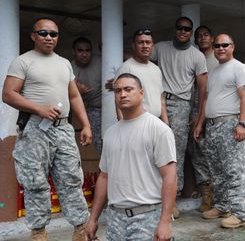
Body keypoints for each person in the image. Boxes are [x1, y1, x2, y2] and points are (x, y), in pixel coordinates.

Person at [2, 17, 92, 241]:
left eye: (53, 34)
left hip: (63, 128)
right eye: (43, 33)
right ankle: (39, 232)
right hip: (35, 129)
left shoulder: (64, 63)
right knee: (35, 181)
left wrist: (86, 125)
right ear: (33, 36)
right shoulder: (23, 62)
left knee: (71, 178)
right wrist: (39, 109)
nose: (49, 37)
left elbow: (74, 95)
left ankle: (81, 229)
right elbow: (8, 94)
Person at [85, 73, 177, 240]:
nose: (122, 94)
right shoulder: (111, 133)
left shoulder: (158, 129)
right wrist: (93, 218)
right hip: (115, 220)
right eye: (117, 91)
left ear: (141, 93)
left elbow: (170, 176)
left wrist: (164, 222)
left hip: (148, 218)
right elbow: (104, 177)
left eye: (128, 89)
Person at [152, 16, 207, 216]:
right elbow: (144, 65)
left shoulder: (197, 56)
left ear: (190, 33)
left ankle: (171, 201)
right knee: (152, 150)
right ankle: (153, 198)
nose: (183, 31)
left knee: (175, 153)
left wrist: (199, 117)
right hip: (158, 101)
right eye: (179, 28)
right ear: (174, 29)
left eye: (187, 29)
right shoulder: (160, 47)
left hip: (181, 105)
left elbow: (202, 91)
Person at [202, 34, 245, 228]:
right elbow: (208, 99)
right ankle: (223, 206)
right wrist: (201, 124)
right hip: (212, 126)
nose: (220, 48)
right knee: (217, 170)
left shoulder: (240, 68)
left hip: (230, 124)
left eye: (225, 45)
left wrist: (242, 124)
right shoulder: (214, 71)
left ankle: (240, 213)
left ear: (232, 46)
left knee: (235, 170)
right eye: (217, 46)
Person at [187, 25, 219, 212]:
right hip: (196, 106)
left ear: (212, 38)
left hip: (214, 108)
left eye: (206, 35)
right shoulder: (195, 57)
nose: (202, 38)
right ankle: (207, 196)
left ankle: (218, 196)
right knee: (197, 153)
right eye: (199, 36)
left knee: (212, 154)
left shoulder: (218, 57)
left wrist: (202, 117)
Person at [114, 28, 168, 123]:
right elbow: (119, 99)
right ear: (134, 46)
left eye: (148, 42)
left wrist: (166, 123)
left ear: (152, 45)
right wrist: (122, 125)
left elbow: (161, 99)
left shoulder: (156, 69)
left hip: (156, 122)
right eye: (140, 42)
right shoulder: (126, 68)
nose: (145, 46)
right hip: (135, 122)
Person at [71, 37, 102, 155]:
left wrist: (116, 79)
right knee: (99, 142)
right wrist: (76, 90)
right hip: (93, 107)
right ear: (74, 52)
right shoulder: (69, 68)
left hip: (112, 105)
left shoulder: (102, 61)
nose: (84, 54)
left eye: (87, 50)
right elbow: (64, 97)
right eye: (80, 51)